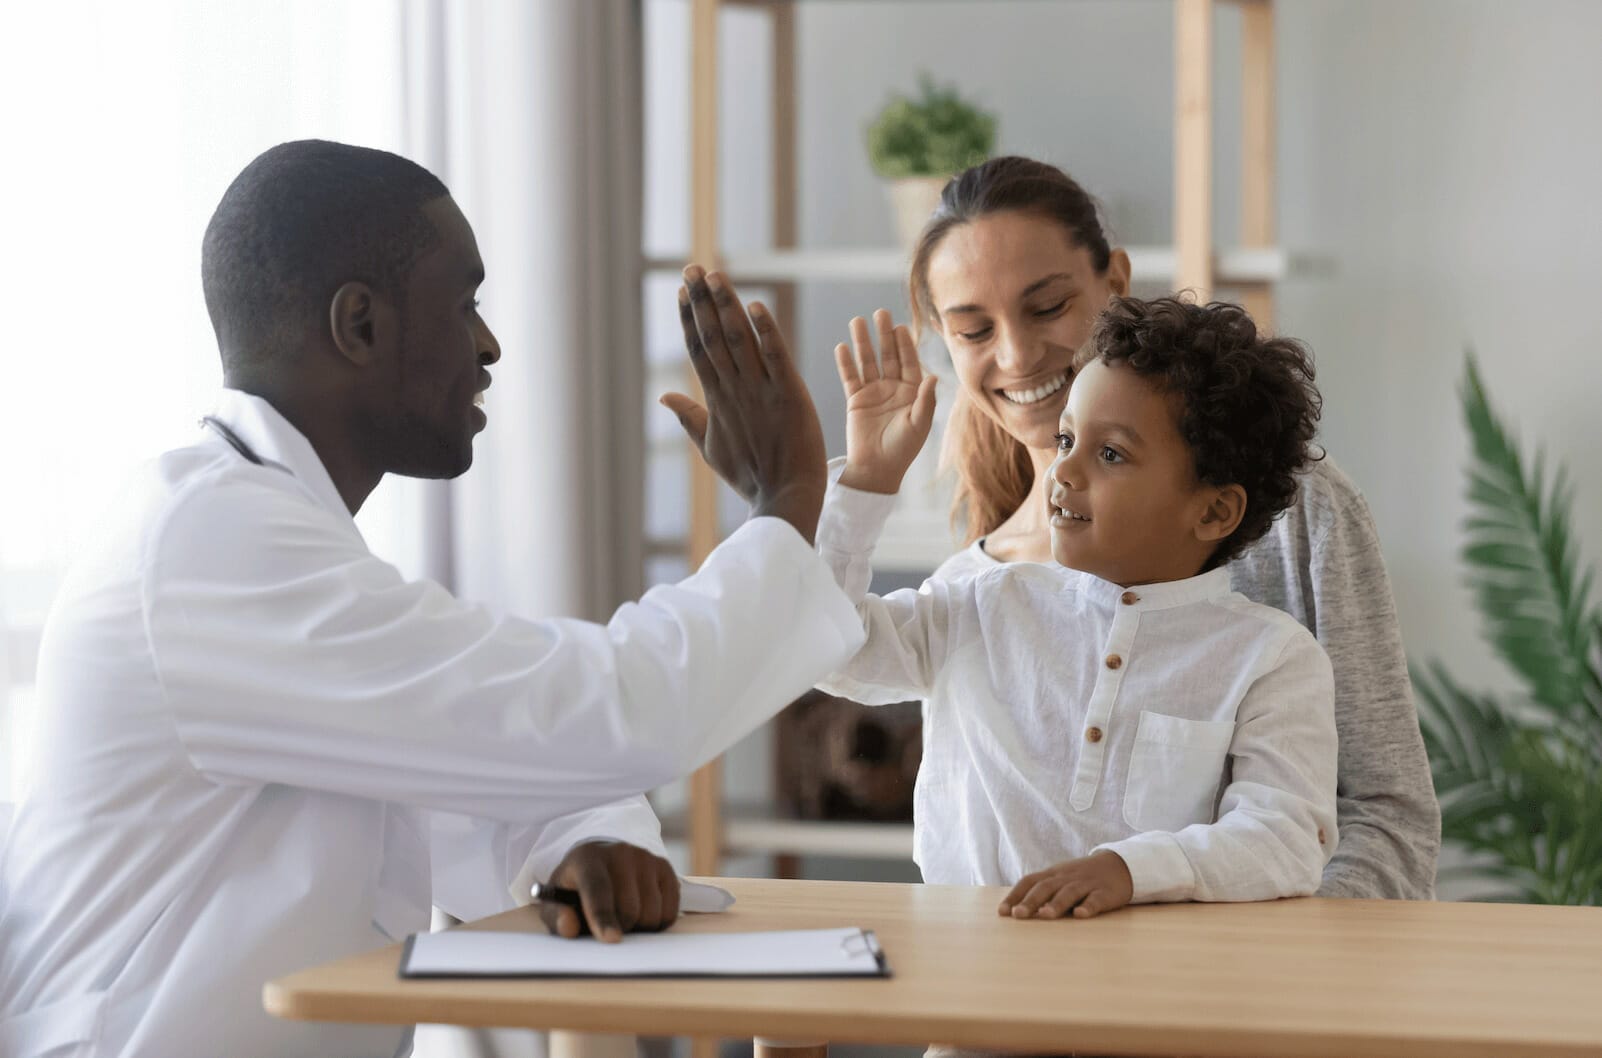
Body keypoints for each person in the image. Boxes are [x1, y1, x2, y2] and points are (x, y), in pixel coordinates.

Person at [0, 140, 861, 1058]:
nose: (489, 346)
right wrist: (789, 500)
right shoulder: (211, 542)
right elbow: (605, 707)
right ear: (360, 326)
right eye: (465, 304)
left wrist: (573, 841)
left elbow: (462, 761)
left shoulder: (262, 534)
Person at [893, 155, 1439, 900]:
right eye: (972, 328)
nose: (1016, 354)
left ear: (1114, 282)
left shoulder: (1293, 510)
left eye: (1047, 307)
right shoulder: (975, 590)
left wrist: (1264, 984)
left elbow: (1384, 816)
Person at [818, 295, 1338, 915]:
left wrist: (1128, 870)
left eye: (1110, 453)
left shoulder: (1271, 658)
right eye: (1066, 439)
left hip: (1154, 992)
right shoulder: (980, 604)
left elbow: (1284, 839)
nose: (1063, 471)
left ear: (1214, 510)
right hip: (964, 970)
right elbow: (826, 647)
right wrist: (866, 484)